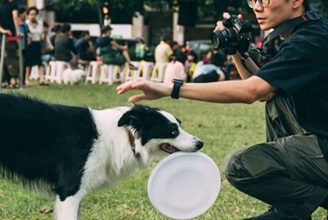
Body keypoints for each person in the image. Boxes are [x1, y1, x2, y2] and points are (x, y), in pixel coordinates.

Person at [117, 0, 328, 219]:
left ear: (295, 1)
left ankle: (296, 209)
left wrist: (171, 88)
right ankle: (289, 211)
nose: (256, 7)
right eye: (253, 0)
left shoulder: (310, 40)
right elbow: (266, 92)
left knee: (239, 166)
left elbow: (251, 91)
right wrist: (236, 50)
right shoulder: (310, 31)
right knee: (277, 98)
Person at [0, 0, 20, 88]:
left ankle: (4, 81)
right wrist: (18, 32)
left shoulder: (0, 7)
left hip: (1, 38)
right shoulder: (13, 5)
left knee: (3, 59)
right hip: (10, 37)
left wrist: (3, 31)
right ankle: (13, 81)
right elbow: (15, 17)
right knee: (12, 58)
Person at [25, 6, 47, 86]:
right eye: (31, 14)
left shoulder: (40, 23)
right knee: (28, 63)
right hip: (29, 44)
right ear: (28, 15)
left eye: (34, 14)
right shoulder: (26, 24)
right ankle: (27, 79)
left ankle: (42, 79)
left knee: (39, 62)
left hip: (37, 43)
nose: (33, 16)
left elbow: (42, 34)